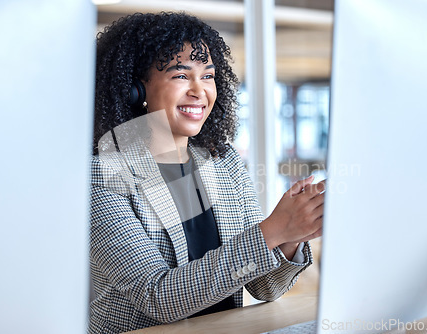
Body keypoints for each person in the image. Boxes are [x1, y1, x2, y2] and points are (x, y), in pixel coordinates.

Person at [90, 12, 325, 334]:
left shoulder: (222, 162)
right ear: (134, 88)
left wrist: (290, 236)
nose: (199, 91)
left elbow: (265, 288)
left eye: (208, 76)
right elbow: (157, 297)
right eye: (181, 76)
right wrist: (272, 230)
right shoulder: (102, 174)